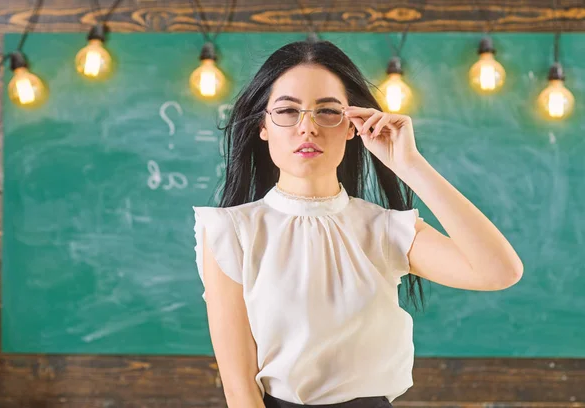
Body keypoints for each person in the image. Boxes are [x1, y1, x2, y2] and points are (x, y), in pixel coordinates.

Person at [192, 39, 523, 408]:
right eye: (287, 111)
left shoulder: (385, 230)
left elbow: (499, 272)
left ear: (353, 126)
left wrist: (410, 165)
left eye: (328, 112)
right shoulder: (230, 231)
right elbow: (240, 390)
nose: (307, 128)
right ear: (262, 127)